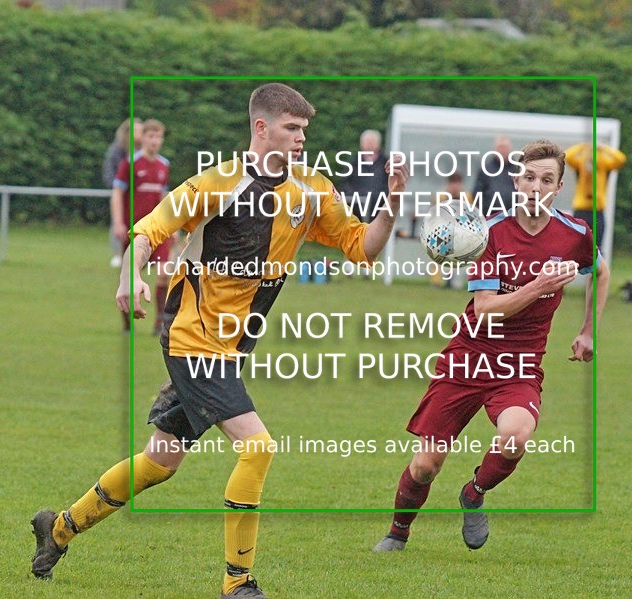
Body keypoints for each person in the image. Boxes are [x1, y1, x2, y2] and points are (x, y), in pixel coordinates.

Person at [31, 83, 409, 598]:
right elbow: (150, 229)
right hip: (191, 337)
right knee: (258, 448)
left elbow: (361, 245)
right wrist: (130, 276)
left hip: (230, 347)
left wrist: (390, 207)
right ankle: (238, 583)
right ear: (261, 127)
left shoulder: (312, 190)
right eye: (291, 128)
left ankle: (58, 529)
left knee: (159, 462)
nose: (301, 139)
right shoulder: (219, 182)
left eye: (304, 130)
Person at [373, 140, 609, 553]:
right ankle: (398, 532)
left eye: (547, 180)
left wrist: (588, 330)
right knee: (426, 465)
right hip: (468, 357)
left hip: (519, 366)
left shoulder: (574, 234)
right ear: (517, 180)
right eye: (530, 177)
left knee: (516, 435)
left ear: (558, 188)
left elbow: (601, 272)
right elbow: (485, 309)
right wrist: (539, 286)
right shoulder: (489, 233)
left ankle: (475, 492)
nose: (536, 187)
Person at [110, 118, 171, 333]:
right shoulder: (130, 163)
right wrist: (118, 222)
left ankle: (161, 323)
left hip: (158, 230)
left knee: (165, 273)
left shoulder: (164, 165)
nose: (154, 141)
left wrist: (173, 225)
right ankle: (128, 322)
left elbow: (163, 197)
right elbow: (117, 192)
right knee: (130, 276)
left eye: (158, 137)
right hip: (134, 230)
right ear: (143, 138)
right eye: (150, 136)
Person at [564, 141, 627, 246]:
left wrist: (603, 148)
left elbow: (621, 159)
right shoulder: (581, 164)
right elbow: (567, 156)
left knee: (597, 246)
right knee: (576, 245)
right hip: (581, 210)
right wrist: (583, 146)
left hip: (597, 210)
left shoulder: (604, 165)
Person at [103, 118, 143, 268]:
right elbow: (109, 172)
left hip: (138, 196)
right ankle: (117, 254)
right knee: (118, 222)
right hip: (122, 194)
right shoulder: (116, 150)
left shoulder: (143, 151)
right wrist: (118, 187)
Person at [339, 129, 389, 223]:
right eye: (367, 142)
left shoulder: (386, 163)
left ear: (379, 144)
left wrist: (377, 197)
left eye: (372, 142)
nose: (369, 144)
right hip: (355, 210)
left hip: (379, 211)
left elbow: (389, 186)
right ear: (361, 143)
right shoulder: (352, 163)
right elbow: (344, 184)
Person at [472, 134, 516, 216]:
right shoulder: (485, 169)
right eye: (500, 147)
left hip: (513, 217)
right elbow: (477, 192)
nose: (503, 150)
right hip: (490, 217)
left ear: (510, 149)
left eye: (505, 147)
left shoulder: (518, 169)